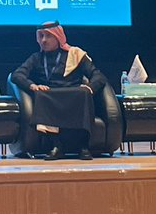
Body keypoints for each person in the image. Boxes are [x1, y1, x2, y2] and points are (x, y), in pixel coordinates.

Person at [11, 21, 108, 160]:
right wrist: (32, 86)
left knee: (84, 93)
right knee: (42, 94)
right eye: (41, 36)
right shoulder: (36, 58)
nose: (44, 40)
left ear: (58, 37)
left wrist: (90, 87)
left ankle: (83, 147)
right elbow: (17, 75)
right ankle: (57, 146)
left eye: (48, 36)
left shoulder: (75, 54)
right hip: (50, 96)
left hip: (74, 95)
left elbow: (98, 76)